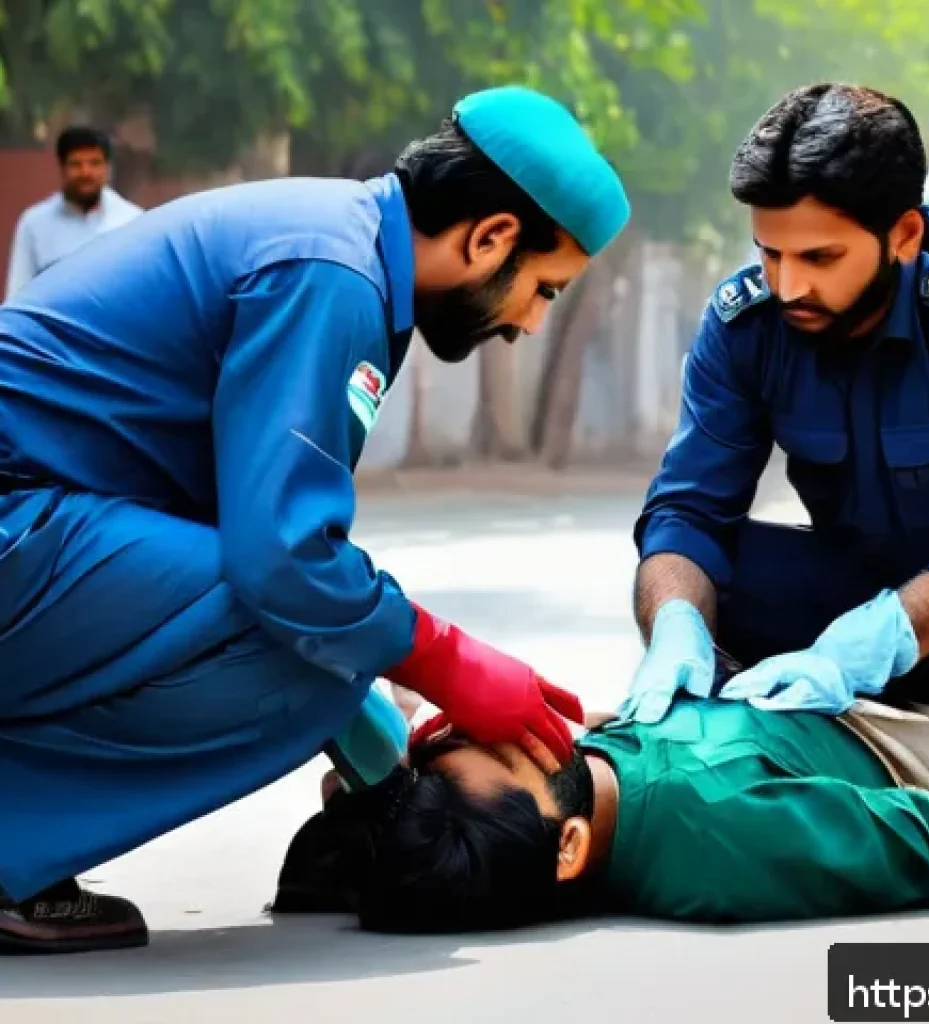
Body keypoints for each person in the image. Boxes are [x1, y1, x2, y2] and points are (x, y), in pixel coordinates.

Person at [0, 85, 630, 954]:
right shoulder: (332, 278)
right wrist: (441, 656)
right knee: (311, 657)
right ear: (490, 239)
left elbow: (281, 555)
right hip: (18, 521)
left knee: (330, 633)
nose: (527, 321)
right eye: (544, 290)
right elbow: (285, 566)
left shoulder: (342, 248)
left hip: (38, 531)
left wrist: (385, 757)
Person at [624, 83, 929, 731]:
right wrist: (675, 627)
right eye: (770, 252)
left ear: (905, 234)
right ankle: (731, 740)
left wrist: (864, 647)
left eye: (820, 257)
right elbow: (687, 509)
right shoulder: (745, 322)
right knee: (705, 577)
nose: (788, 285)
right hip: (861, 598)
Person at [270, 651, 929, 933]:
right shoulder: (727, 831)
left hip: (790, 687)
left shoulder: (582, 794)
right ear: (569, 847)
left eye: (456, 744)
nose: (480, 729)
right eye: (507, 751)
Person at [5, 126, 142, 300]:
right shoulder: (35, 224)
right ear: (62, 167)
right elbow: (17, 295)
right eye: (76, 164)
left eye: (94, 163)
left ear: (107, 167)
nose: (86, 172)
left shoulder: (132, 221)